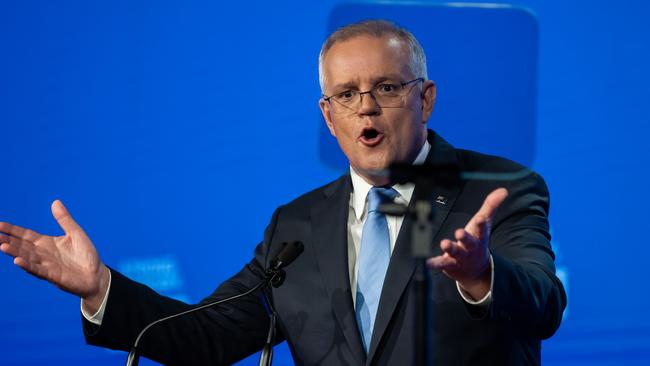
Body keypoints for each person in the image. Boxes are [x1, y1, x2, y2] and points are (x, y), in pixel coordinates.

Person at [0, 20, 566, 365]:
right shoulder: (296, 226)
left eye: (387, 87)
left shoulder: (501, 190)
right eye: (346, 94)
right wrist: (102, 288)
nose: (366, 106)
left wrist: (480, 275)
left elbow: (544, 303)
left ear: (426, 99)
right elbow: (211, 335)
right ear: (329, 116)